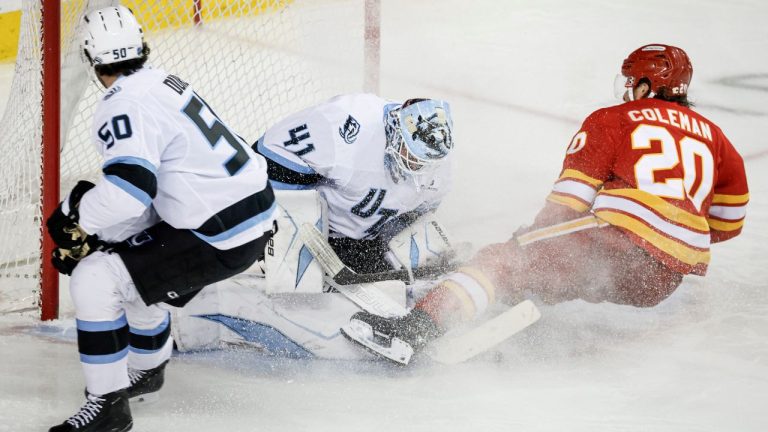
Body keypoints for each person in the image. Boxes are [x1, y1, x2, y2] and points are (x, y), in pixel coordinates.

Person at [342, 43, 750, 363]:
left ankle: (411, 332)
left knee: (501, 259)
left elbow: (568, 204)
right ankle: (505, 300)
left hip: (618, 246)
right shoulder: (716, 137)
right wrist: (665, 235)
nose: (628, 89)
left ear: (647, 87)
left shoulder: (614, 119)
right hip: (663, 280)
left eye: (632, 82)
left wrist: (527, 242)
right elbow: (730, 222)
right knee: (552, 267)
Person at [46, 6, 276, 431]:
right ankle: (147, 369)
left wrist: (77, 223)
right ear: (142, 46)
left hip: (218, 233)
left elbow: (129, 194)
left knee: (96, 278)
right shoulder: (164, 80)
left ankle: (108, 408)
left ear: (92, 60)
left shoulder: (121, 104)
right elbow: (151, 193)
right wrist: (101, 236)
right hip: (252, 214)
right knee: (127, 264)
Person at [253, 94, 454, 274]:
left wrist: (391, 251)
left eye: (424, 161)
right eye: (410, 154)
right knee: (293, 280)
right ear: (395, 130)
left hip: (359, 240)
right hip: (314, 228)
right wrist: (271, 228)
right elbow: (270, 155)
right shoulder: (344, 124)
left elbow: (413, 218)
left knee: (422, 271)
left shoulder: (439, 163)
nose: (417, 166)